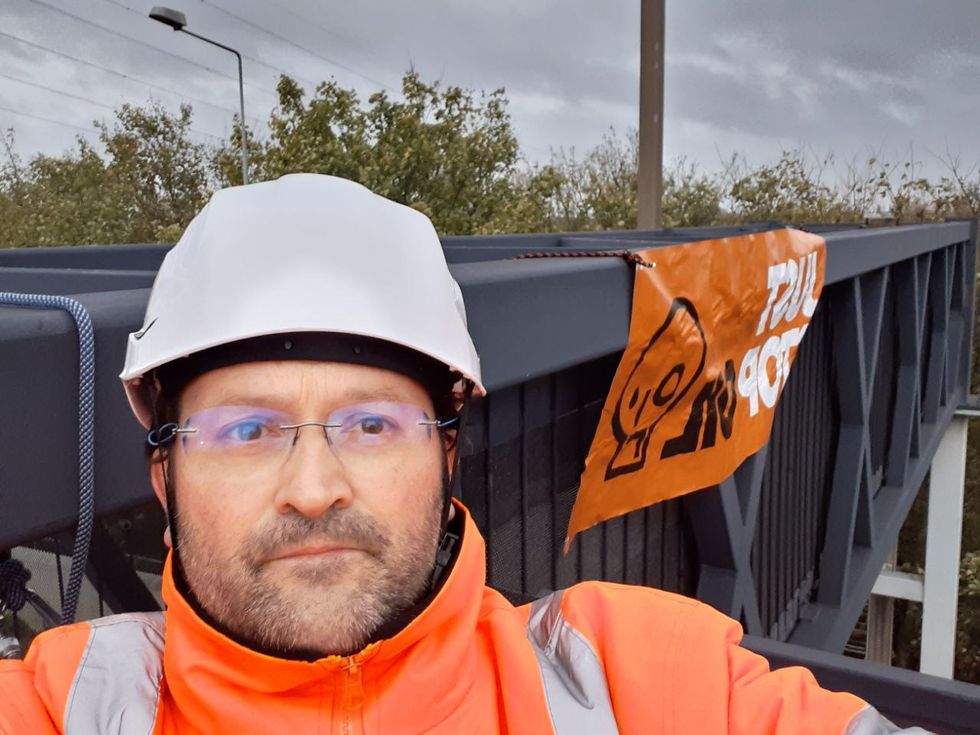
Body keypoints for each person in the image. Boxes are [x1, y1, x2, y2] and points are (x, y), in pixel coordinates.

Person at [0, 174, 927, 734]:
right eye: (247, 430)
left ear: (451, 454)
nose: (315, 488)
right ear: (163, 473)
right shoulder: (65, 705)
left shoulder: (640, 681)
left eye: (370, 424)